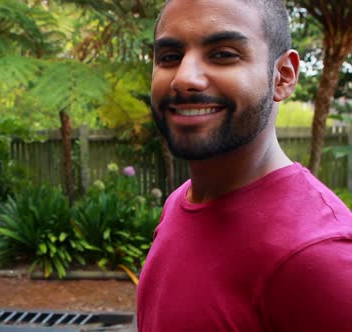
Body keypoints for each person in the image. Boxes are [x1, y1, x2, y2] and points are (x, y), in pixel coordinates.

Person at [137, 0, 352, 331]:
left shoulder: (318, 256)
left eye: (222, 54)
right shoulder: (181, 202)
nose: (184, 78)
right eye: (169, 58)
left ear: (283, 76)